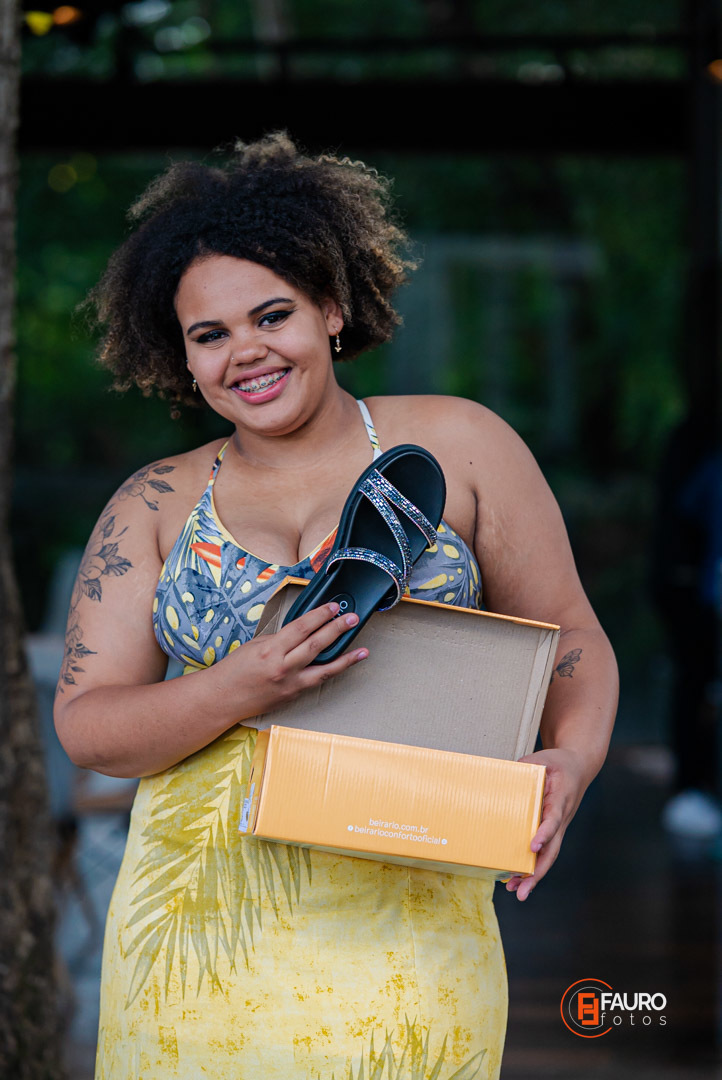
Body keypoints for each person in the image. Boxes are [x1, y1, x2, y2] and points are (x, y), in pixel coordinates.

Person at [54, 133, 618, 1080]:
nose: (246, 352)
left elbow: (571, 634)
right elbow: (87, 727)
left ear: (331, 307)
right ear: (180, 355)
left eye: (272, 315)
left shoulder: (461, 444)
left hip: (412, 912)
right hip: (195, 936)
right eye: (209, 335)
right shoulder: (151, 503)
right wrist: (240, 684)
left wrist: (576, 757)